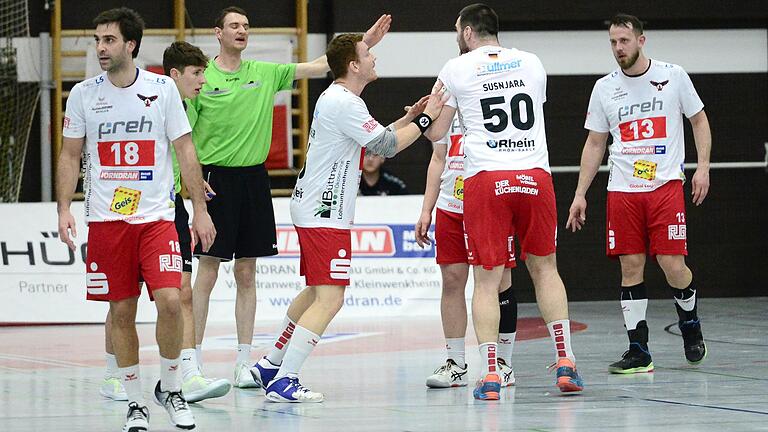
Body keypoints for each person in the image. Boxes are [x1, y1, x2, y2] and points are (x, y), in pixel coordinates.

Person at [187, 6, 393, 388]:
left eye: (246, 26)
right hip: (214, 180)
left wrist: (366, 42)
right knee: (209, 270)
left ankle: (246, 364)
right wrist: (192, 182)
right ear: (218, 32)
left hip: (253, 179)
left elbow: (323, 65)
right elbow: (184, 134)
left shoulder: (263, 72)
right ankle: (193, 364)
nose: (241, 31)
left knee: (247, 271)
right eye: (234, 25)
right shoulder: (203, 78)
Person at [249, 32, 448, 403]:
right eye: (367, 54)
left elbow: (374, 137)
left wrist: (409, 117)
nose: (374, 58)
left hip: (314, 207)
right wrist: (425, 121)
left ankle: (270, 364)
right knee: (331, 297)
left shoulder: (340, 99)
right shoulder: (345, 103)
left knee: (315, 291)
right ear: (354, 65)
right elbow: (385, 146)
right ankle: (285, 379)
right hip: (325, 212)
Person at [57, 7, 216, 431]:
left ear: (130, 45)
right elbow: (70, 154)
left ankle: (171, 388)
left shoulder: (162, 89)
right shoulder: (83, 94)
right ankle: (135, 402)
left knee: (169, 300)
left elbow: (184, 149)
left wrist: (199, 208)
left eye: (108, 40)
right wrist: (63, 208)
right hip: (107, 223)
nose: (100, 48)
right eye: (97, 40)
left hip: (157, 219)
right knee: (121, 312)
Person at [425, 3, 584, 399]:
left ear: (466, 33)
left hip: (486, 178)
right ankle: (566, 362)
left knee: (486, 279)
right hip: (534, 174)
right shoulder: (532, 63)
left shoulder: (455, 68)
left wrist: (425, 116)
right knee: (545, 269)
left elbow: (437, 133)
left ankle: (491, 374)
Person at [566, 13, 710, 374]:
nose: (618, 48)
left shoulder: (672, 76)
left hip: (664, 186)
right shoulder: (604, 88)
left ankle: (690, 325)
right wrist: (580, 193)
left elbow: (699, 120)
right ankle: (638, 350)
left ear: (641, 40)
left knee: (671, 264)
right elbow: (595, 142)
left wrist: (703, 167)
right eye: (613, 42)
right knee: (630, 267)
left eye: (624, 41)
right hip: (622, 190)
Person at [99, 41, 231, 405]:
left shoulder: (184, 107)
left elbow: (184, 154)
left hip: (168, 209)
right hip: (127, 209)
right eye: (197, 73)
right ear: (174, 75)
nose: (204, 80)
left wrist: (194, 193)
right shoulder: (140, 98)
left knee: (180, 293)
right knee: (122, 300)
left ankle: (186, 375)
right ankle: (113, 373)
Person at [416, 114, 519, 389]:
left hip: (489, 204)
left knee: (499, 282)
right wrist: (427, 209)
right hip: (451, 205)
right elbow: (438, 158)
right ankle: (456, 363)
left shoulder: (492, 99)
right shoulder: (447, 105)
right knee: (451, 281)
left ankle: (503, 364)